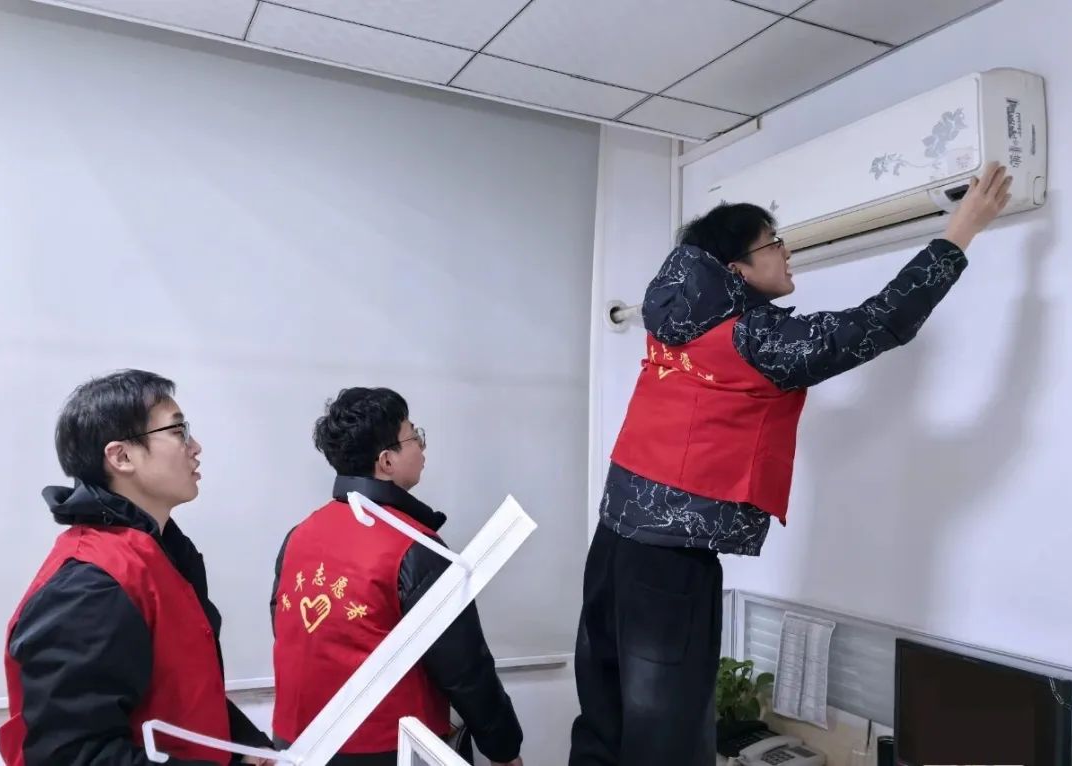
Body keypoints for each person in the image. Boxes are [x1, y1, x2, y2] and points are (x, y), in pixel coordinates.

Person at [568, 162, 1014, 765]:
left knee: (604, 715)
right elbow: (879, 321)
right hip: (669, 565)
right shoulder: (754, 340)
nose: (786, 251)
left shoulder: (671, 322)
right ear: (737, 269)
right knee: (666, 733)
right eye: (772, 242)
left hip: (613, 541)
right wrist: (960, 231)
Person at [0, 370, 274, 766]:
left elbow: (187, 691)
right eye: (178, 431)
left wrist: (245, 750)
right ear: (121, 457)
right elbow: (74, 755)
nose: (195, 446)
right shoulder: (90, 585)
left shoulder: (162, 551)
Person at [269, 387, 524, 766]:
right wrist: (504, 750)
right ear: (387, 461)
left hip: (296, 748)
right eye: (413, 435)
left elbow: (286, 629)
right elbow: (465, 668)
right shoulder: (414, 547)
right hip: (389, 750)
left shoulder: (298, 536)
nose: (421, 446)